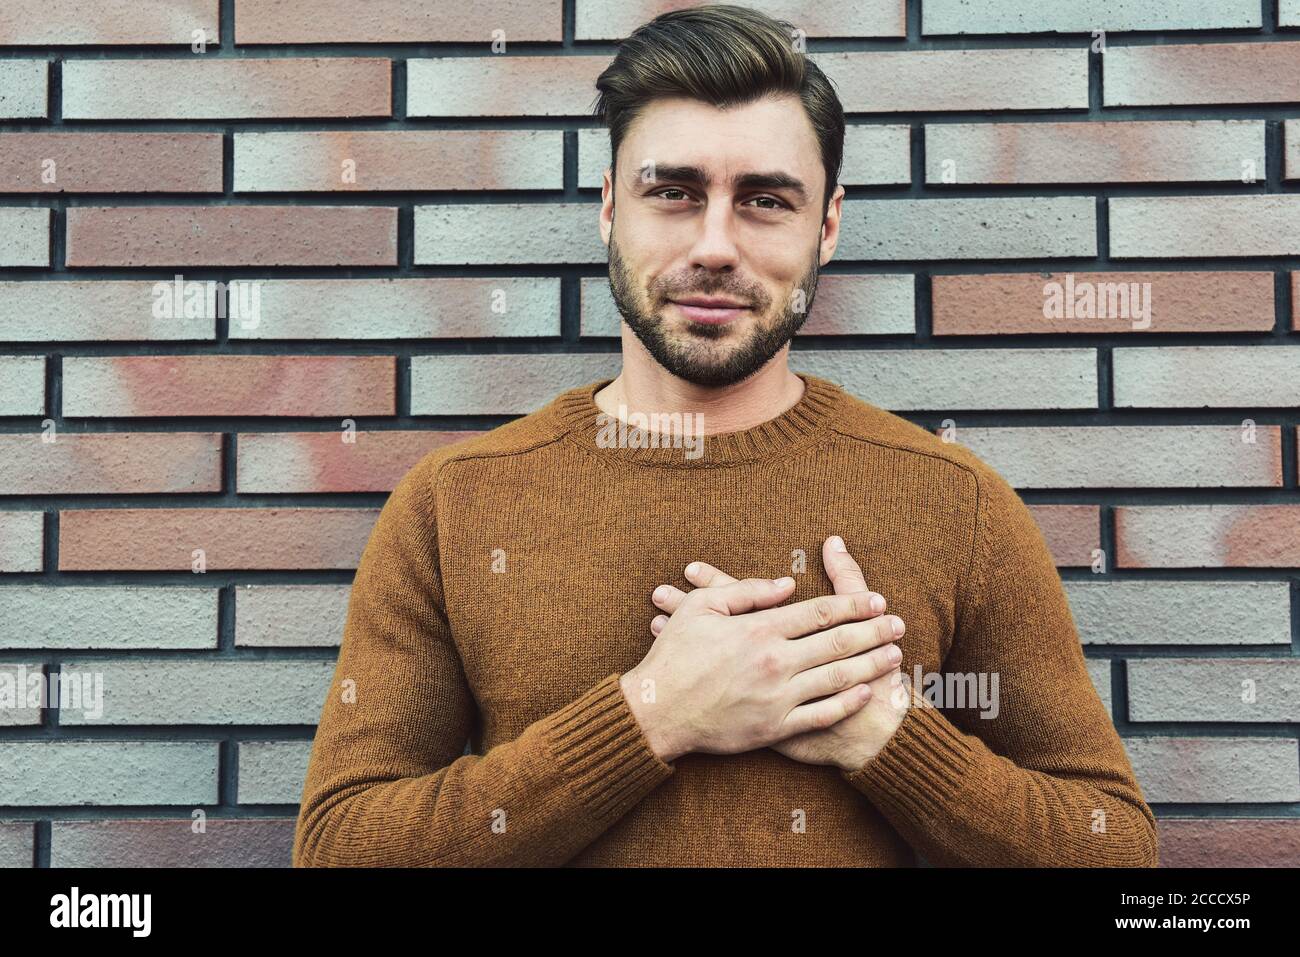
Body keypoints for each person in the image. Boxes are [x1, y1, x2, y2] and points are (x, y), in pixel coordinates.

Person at [292, 3, 1158, 867]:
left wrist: (887, 737)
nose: (715, 245)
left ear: (827, 226)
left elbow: (1115, 850)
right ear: (607, 210)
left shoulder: (952, 499)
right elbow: (337, 850)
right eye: (673, 193)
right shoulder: (455, 502)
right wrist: (652, 716)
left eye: (764, 201)